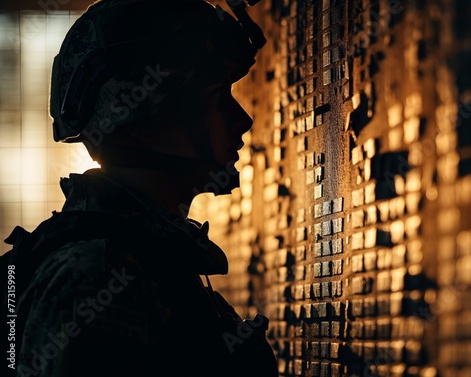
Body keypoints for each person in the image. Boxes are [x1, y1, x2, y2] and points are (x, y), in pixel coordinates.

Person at [1, 1, 278, 376]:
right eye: (216, 98)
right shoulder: (97, 278)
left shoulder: (142, 256)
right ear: (141, 121)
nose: (242, 121)